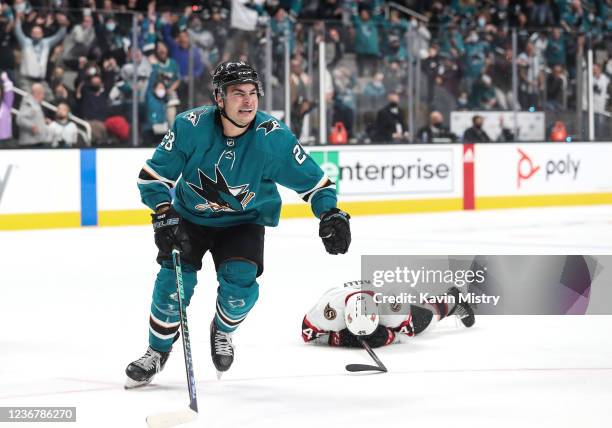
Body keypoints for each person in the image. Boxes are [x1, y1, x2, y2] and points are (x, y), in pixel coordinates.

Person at [125, 61, 351, 387]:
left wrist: (330, 213)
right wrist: (162, 212)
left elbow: (316, 185)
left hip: (243, 221)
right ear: (219, 98)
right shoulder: (190, 126)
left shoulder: (273, 138)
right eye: (237, 94)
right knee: (173, 286)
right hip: (189, 217)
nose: (248, 101)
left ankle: (223, 330)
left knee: (239, 289)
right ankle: (156, 352)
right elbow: (152, 178)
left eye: (252, 93)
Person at [302, 283, 474, 348]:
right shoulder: (328, 314)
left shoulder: (392, 311)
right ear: (345, 318)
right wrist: (338, 338)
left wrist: (389, 336)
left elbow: (407, 334)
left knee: (427, 321)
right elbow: (307, 335)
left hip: (384, 292)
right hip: (341, 291)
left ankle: (453, 298)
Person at [16, 83, 53, 147]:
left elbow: (32, 117)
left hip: (36, 141)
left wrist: (43, 121)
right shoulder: (29, 103)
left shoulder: (35, 104)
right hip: (30, 143)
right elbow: (21, 119)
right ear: (37, 93)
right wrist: (32, 127)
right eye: (42, 93)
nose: (43, 97)